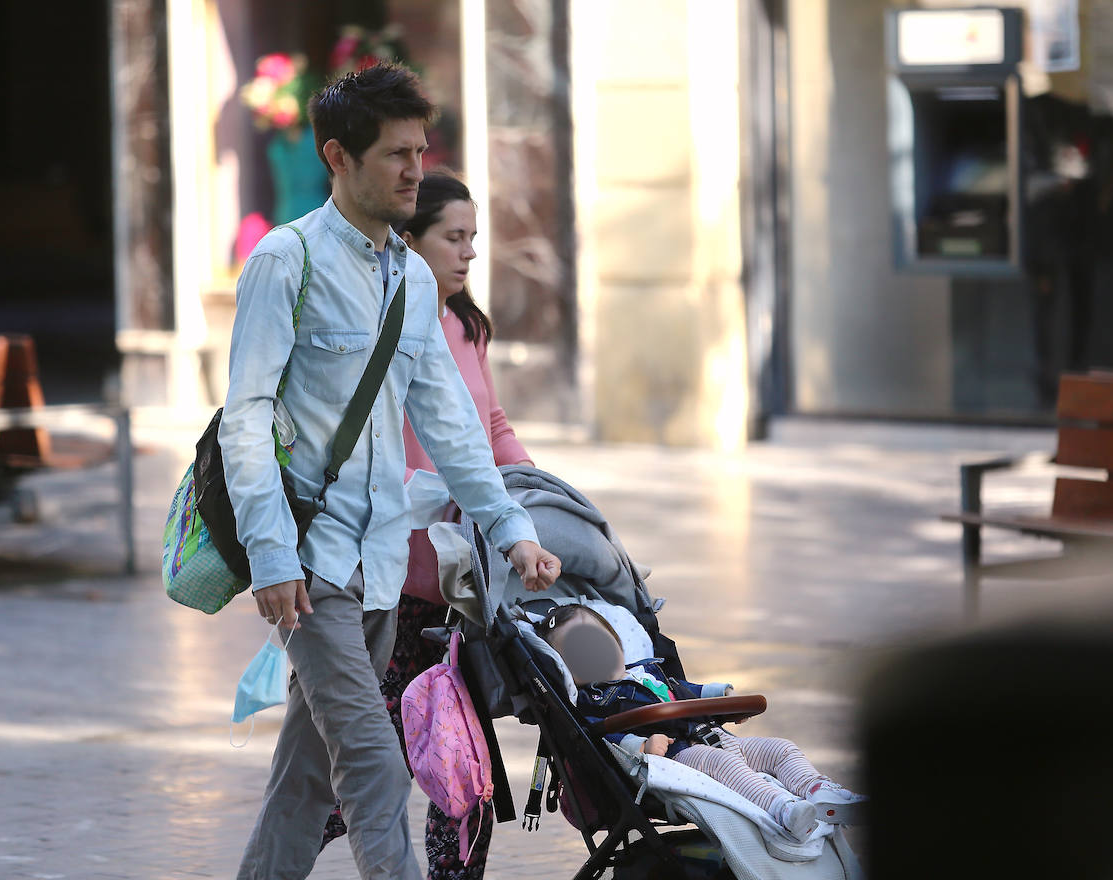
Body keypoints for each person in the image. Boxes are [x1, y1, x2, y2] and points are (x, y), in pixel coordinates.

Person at [220, 63, 562, 880]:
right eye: (395, 153)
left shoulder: (409, 277)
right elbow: (246, 417)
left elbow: (450, 421)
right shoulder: (285, 261)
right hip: (310, 567)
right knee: (373, 765)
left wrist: (511, 526)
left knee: (306, 781)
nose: (415, 170)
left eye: (421, 149)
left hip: (379, 564)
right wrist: (269, 557)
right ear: (338, 157)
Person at [321, 171, 530, 878]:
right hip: (392, 582)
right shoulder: (383, 324)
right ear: (408, 240)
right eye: (454, 236)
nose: (468, 253)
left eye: (474, 238)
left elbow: (492, 428)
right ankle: (287, 843)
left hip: (464, 582)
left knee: (459, 757)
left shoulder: (467, 327)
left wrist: (536, 500)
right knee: (373, 761)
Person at [537, 604, 867, 843]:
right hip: (678, 758)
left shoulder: (648, 670)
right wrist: (641, 746)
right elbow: (601, 734)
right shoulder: (593, 700)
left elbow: (685, 691)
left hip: (712, 735)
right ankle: (783, 809)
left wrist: (720, 701)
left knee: (780, 748)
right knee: (722, 764)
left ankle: (820, 792)